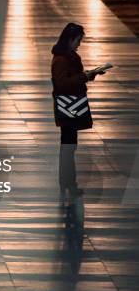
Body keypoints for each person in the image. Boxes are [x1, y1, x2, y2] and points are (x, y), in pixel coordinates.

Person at [51, 23, 105, 197]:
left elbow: (72, 79)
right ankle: (68, 184)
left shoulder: (69, 56)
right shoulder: (61, 59)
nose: (79, 44)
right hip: (68, 107)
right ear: (70, 39)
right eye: (78, 40)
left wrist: (90, 75)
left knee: (69, 146)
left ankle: (67, 184)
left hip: (71, 106)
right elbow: (62, 83)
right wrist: (84, 76)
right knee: (68, 147)